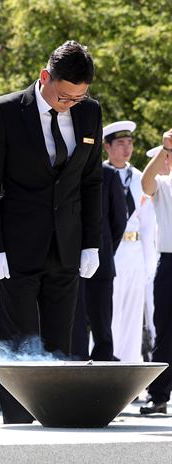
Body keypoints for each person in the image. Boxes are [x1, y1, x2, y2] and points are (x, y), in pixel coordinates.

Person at [0, 41, 103, 424]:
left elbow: (91, 181)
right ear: (45, 77)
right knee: (19, 344)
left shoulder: (89, 112)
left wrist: (90, 244)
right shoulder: (5, 111)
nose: (70, 103)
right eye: (65, 96)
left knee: (58, 342)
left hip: (67, 246)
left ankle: (57, 423)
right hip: (15, 248)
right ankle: (19, 426)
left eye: (78, 98)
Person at [102, 121, 157, 362]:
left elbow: (147, 225)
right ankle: (105, 365)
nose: (127, 149)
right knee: (107, 314)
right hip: (109, 252)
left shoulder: (139, 178)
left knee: (133, 316)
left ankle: (129, 367)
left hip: (133, 251)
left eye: (130, 143)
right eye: (121, 143)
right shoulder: (99, 176)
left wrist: (149, 264)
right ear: (107, 147)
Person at [71, 162, 127, 360]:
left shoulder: (108, 175)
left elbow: (119, 220)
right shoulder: (67, 169)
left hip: (101, 264)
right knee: (75, 326)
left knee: (102, 326)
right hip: (70, 263)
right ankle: (77, 373)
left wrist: (104, 250)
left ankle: (105, 373)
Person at [140, 128, 172, 415]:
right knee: (164, 331)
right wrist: (165, 147)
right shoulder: (164, 182)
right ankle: (158, 395)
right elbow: (145, 183)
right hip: (169, 262)